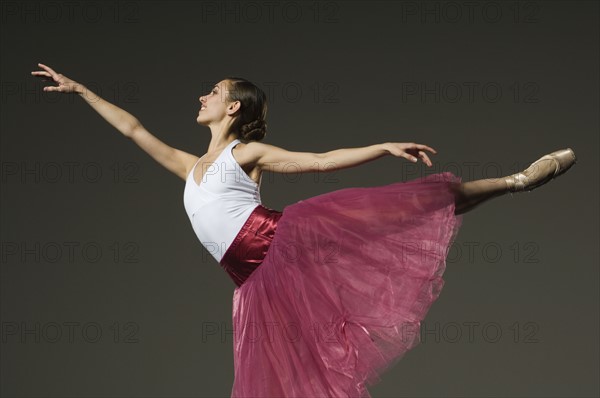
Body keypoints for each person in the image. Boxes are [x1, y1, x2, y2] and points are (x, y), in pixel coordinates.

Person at [31, 63, 576, 397]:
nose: (202, 97)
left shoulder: (246, 153)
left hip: (282, 241)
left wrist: (380, 147)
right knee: (294, 385)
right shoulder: (188, 165)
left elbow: (318, 161)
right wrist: (82, 91)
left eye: (212, 92)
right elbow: (131, 128)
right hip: (252, 285)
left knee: (405, 210)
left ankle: (515, 180)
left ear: (233, 106)